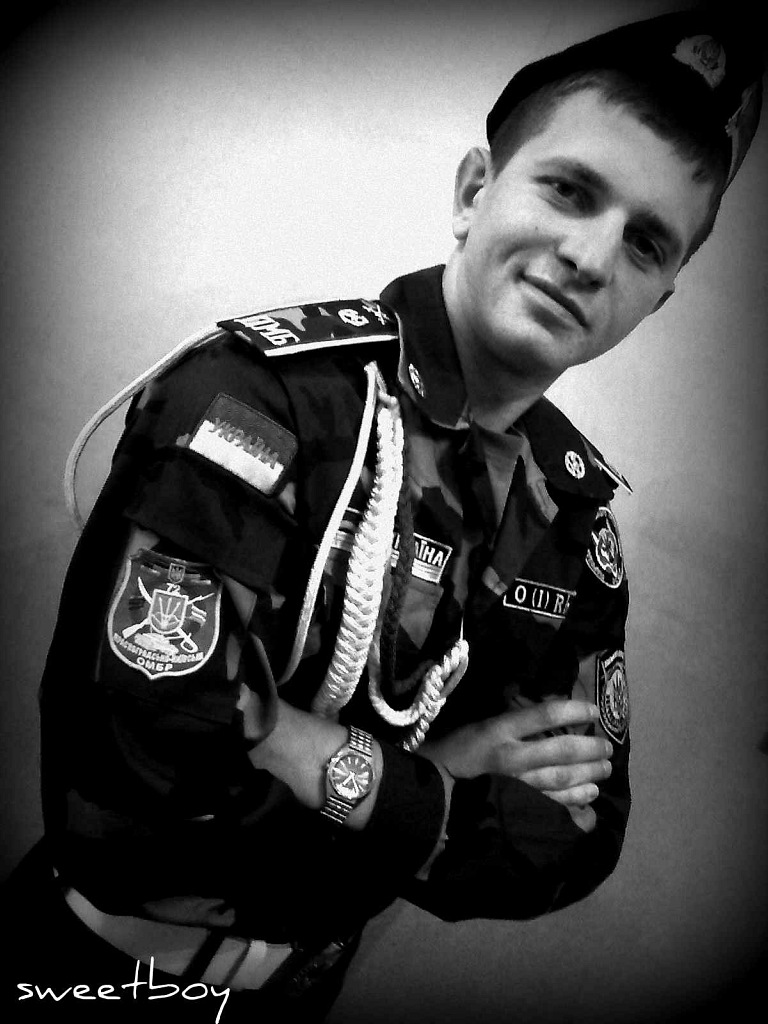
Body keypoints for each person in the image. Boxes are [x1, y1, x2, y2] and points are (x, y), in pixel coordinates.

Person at [3, 8, 762, 1023]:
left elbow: (563, 847)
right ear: (474, 192)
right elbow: (137, 807)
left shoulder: (575, 528)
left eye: (647, 242)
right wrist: (437, 773)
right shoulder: (259, 401)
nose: (592, 256)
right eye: (570, 190)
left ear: (658, 297)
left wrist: (299, 747)